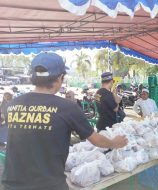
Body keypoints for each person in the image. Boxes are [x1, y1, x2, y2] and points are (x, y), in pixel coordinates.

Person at [1, 53, 128, 190]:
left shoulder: (11, 105)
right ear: (59, 78)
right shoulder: (67, 108)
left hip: (12, 184)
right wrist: (115, 143)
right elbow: (96, 140)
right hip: (49, 185)